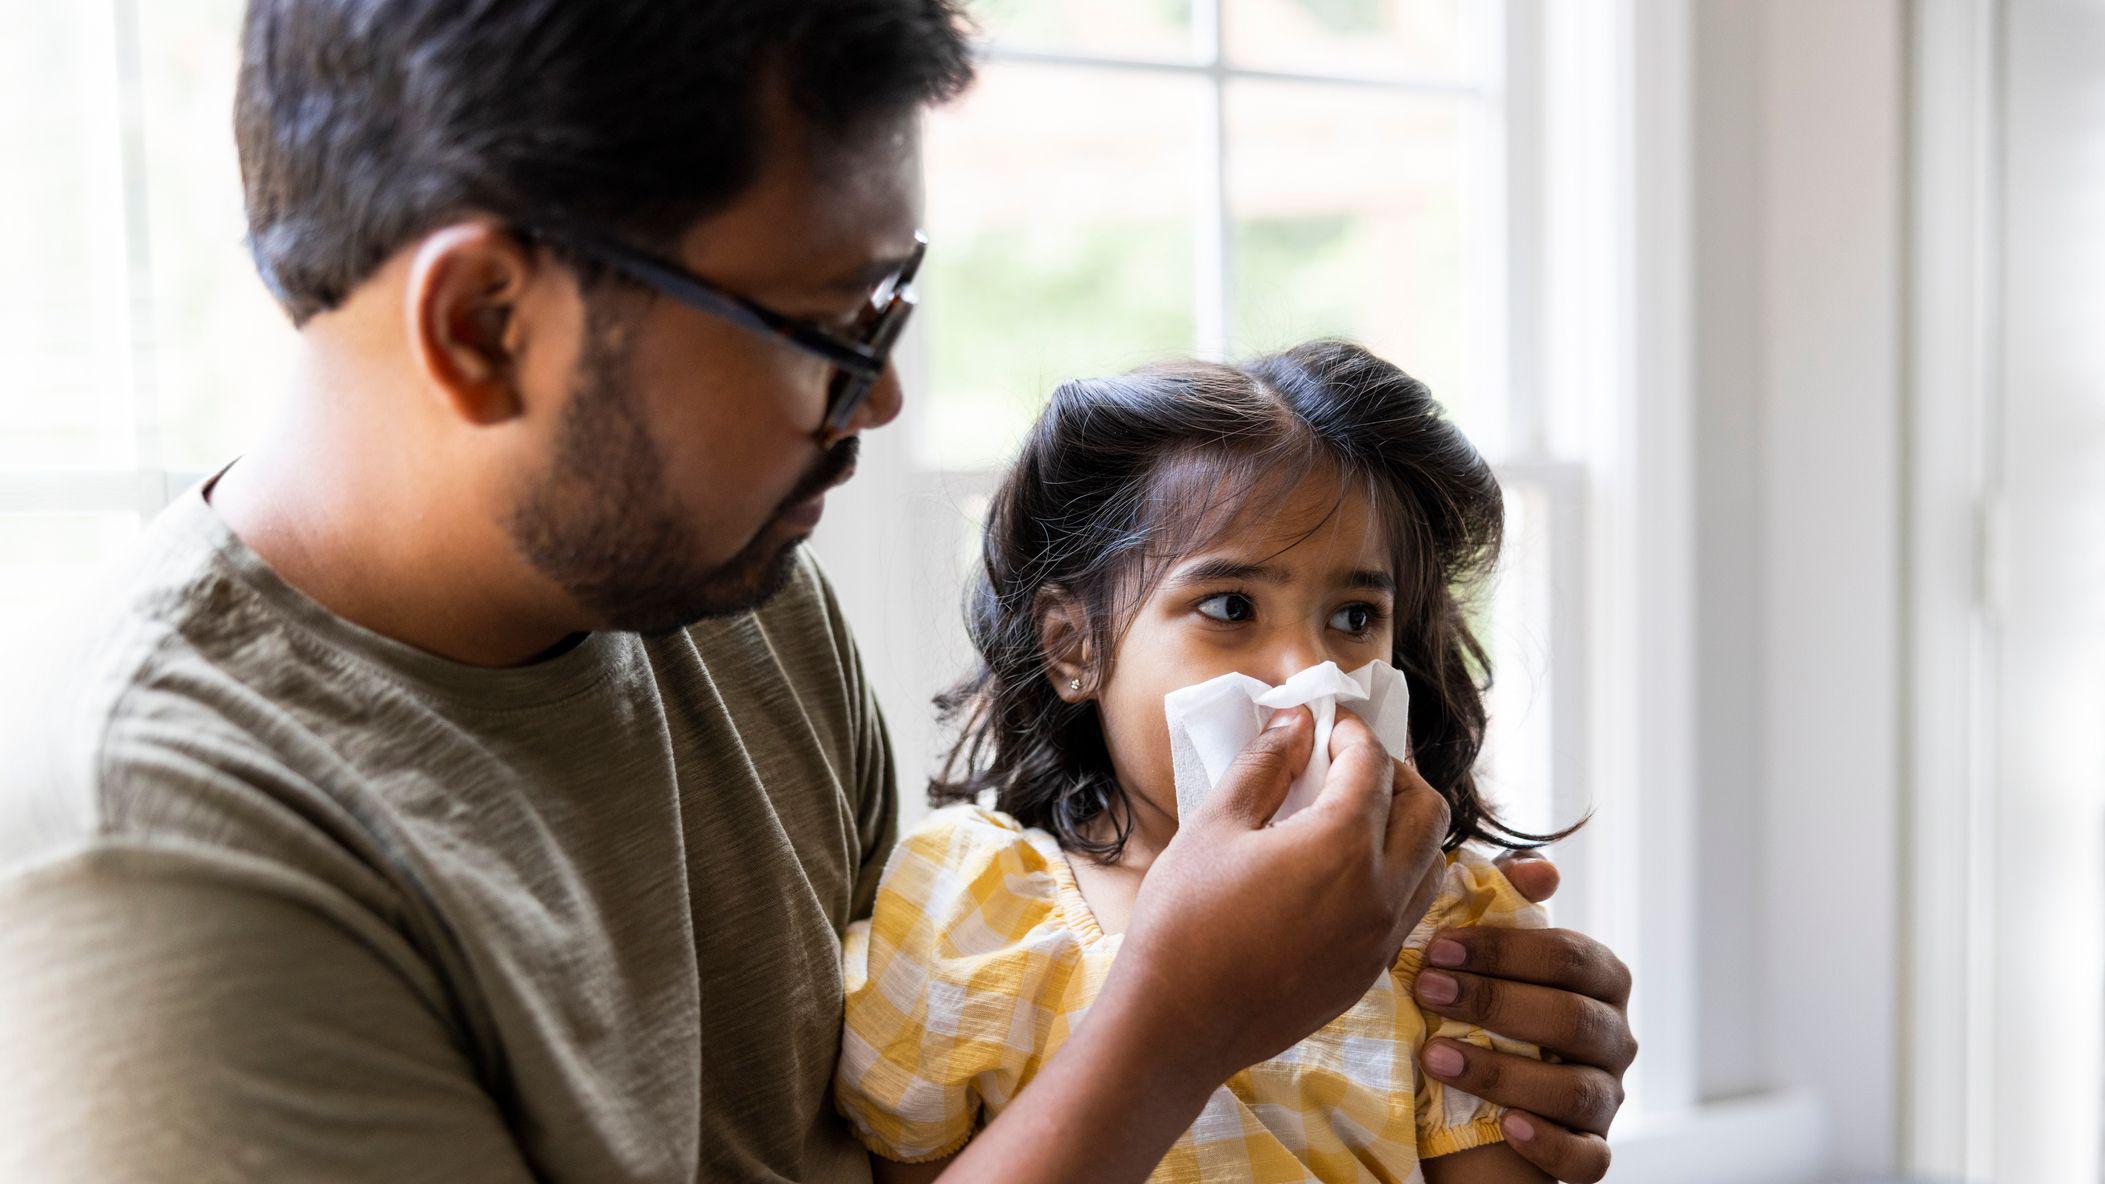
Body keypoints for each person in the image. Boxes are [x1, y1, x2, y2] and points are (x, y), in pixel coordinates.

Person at [0, 3, 1635, 1181]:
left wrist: (1461, 1063)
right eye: (826, 325)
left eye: (891, 303)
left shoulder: (732, 600)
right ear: (486, 324)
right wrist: (1178, 1021)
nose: (882, 397)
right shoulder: (165, 865)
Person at [836, 341, 1588, 1183]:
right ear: (1073, 647)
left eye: (1353, 617)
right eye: (1230, 607)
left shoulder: (1445, 929)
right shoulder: (968, 912)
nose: (1308, 672)